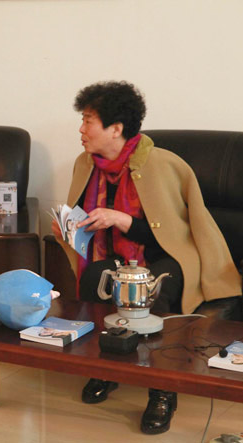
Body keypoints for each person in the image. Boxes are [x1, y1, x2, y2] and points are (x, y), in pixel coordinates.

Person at [53, 81, 241, 434]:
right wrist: (69, 229)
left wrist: (121, 220)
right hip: (115, 258)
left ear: (115, 128)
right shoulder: (85, 164)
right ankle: (106, 370)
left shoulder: (164, 164)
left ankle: (162, 391)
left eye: (88, 121)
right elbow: (88, 223)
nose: (81, 129)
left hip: (167, 257)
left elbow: (174, 236)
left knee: (154, 291)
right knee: (94, 279)